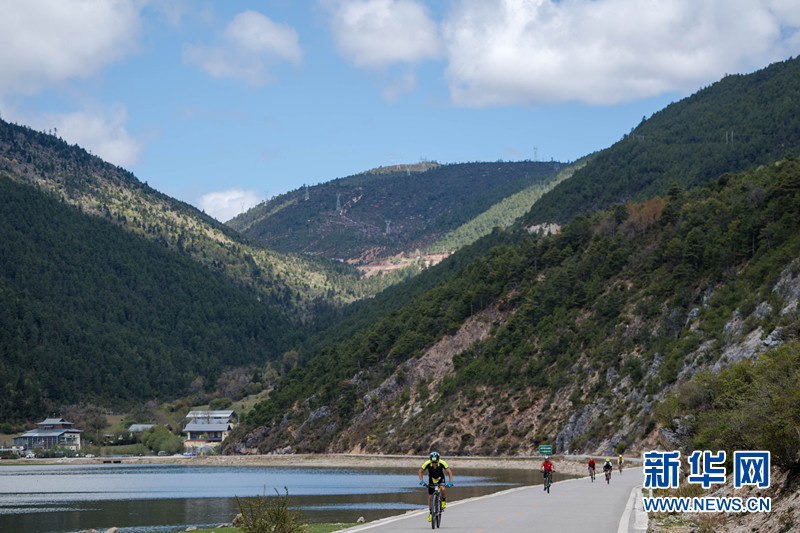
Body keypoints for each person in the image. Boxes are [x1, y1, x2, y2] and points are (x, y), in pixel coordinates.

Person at [419, 451, 453, 522]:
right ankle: (431, 513)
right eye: (432, 462)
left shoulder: (442, 463)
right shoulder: (427, 463)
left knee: (442, 488)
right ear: (430, 460)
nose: (434, 464)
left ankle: (443, 501)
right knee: (430, 497)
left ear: (438, 460)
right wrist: (421, 481)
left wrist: (450, 482)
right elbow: (420, 471)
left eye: (436, 462)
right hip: (432, 479)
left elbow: (449, 471)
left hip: (440, 478)